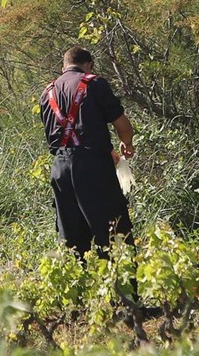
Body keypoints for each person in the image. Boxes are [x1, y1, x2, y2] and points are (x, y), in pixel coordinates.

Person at [39, 46, 135, 258]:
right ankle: (123, 288)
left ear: (63, 67)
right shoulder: (95, 84)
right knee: (114, 233)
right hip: (94, 168)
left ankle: (79, 286)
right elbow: (123, 127)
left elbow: (56, 138)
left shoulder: (47, 93)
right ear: (89, 65)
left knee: (72, 241)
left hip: (61, 169)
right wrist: (126, 143)